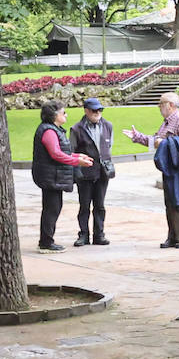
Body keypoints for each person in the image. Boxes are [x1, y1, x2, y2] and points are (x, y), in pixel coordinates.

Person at [129, 92, 179, 249]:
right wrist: (137, 137)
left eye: (161, 104)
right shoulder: (166, 122)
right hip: (170, 164)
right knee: (170, 200)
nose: (159, 107)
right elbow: (155, 141)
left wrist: (164, 142)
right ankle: (173, 236)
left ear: (170, 105)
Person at [32, 100, 92, 253]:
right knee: (51, 209)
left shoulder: (54, 130)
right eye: (63, 112)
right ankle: (46, 242)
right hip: (50, 176)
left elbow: (61, 152)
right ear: (54, 115)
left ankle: (46, 240)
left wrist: (78, 156)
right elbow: (55, 154)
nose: (66, 115)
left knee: (53, 208)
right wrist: (76, 161)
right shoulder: (49, 131)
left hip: (54, 176)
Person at [69, 97, 115, 247]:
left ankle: (99, 234)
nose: (97, 113)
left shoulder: (108, 125)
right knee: (84, 205)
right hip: (85, 173)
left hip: (102, 172)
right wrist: (76, 172)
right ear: (86, 111)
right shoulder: (76, 129)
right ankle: (83, 235)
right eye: (94, 110)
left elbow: (109, 147)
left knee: (100, 205)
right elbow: (72, 151)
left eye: (100, 110)